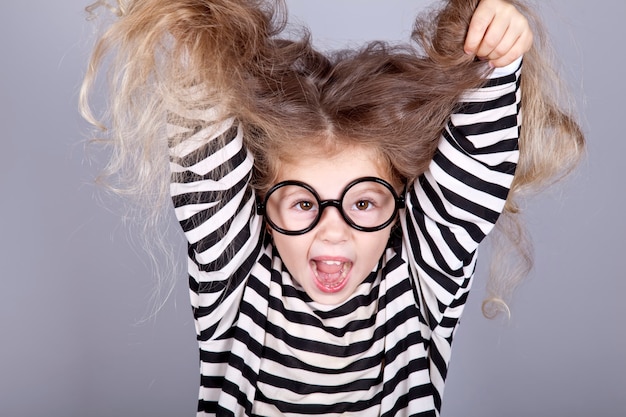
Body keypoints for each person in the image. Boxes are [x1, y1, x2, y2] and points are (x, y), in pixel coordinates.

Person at [80, 0, 584, 415]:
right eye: (302, 202)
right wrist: (196, 24)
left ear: (403, 200)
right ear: (259, 202)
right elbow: (201, 113)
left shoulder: (419, 280)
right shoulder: (235, 276)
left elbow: (476, 169)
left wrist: (493, 51)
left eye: (363, 202)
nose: (333, 230)